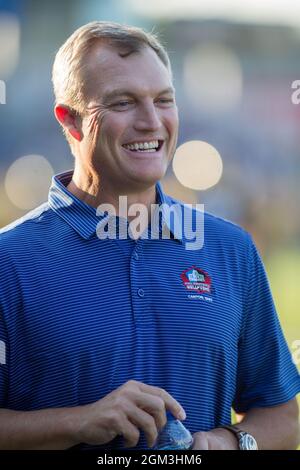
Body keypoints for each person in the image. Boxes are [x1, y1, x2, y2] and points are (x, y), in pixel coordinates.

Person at [0, 21, 299, 451]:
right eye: (123, 103)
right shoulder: (10, 261)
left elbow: (282, 415)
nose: (151, 121)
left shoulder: (231, 250)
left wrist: (229, 444)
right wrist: (79, 423)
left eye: (163, 101)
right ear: (72, 121)